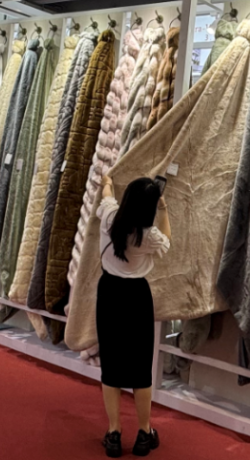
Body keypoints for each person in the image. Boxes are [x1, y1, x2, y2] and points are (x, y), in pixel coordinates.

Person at [96, 174, 171, 458]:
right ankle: (144, 433)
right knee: (141, 367)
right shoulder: (148, 236)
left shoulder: (109, 218)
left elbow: (107, 197)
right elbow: (167, 240)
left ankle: (114, 433)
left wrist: (107, 182)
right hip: (137, 297)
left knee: (111, 364)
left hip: (109, 293)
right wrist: (163, 209)